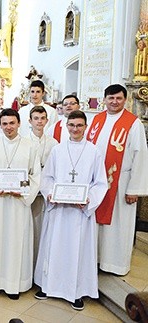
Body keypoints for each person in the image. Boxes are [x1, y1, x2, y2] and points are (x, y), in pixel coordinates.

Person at [34, 110, 108, 311]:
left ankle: (75, 292)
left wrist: (88, 200)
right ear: (66, 127)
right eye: (72, 125)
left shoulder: (94, 151)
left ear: (86, 127)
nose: (75, 129)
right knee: (54, 247)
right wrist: (49, 193)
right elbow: (47, 177)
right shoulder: (58, 150)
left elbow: (101, 183)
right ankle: (48, 287)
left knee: (77, 251)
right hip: (58, 210)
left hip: (79, 213)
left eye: (79, 125)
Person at [0, 108, 41, 300]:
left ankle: (14, 284)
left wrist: (22, 190)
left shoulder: (30, 146)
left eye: (12, 123)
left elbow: (35, 176)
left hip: (18, 204)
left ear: (19, 123)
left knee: (15, 242)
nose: (8, 127)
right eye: (4, 124)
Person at [86, 84, 148, 275]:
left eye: (119, 98)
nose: (114, 102)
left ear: (125, 100)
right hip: (96, 182)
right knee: (96, 225)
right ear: (104, 99)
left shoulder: (133, 123)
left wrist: (134, 189)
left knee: (118, 226)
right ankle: (95, 260)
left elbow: (140, 155)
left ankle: (115, 264)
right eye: (111, 98)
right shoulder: (97, 119)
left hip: (121, 182)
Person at [27, 106, 58, 263]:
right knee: (28, 225)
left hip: (45, 188)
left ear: (47, 120)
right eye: (36, 118)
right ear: (30, 121)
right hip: (29, 187)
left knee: (42, 226)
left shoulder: (53, 143)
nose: (39, 121)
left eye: (42, 118)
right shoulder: (24, 141)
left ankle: (41, 260)